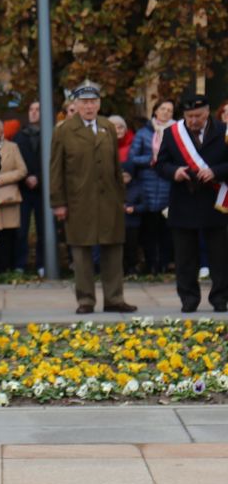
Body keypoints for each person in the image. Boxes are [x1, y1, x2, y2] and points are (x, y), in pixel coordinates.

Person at [49, 83, 136, 314]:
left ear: (99, 104)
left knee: (113, 250)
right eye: (84, 102)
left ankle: (114, 298)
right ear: (75, 105)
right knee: (82, 252)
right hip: (79, 200)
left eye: (93, 102)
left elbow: (116, 167)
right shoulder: (64, 130)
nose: (89, 106)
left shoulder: (107, 126)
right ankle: (86, 300)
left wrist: (121, 198)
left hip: (109, 200)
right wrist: (58, 202)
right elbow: (56, 169)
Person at [154, 95, 228, 312]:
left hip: (215, 203)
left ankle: (220, 298)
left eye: (198, 116)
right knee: (185, 257)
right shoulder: (173, 133)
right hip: (184, 200)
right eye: (189, 116)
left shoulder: (224, 131)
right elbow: (160, 165)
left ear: (207, 112)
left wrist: (216, 171)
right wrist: (173, 172)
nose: (193, 120)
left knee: (220, 256)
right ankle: (189, 299)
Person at [125, 100, 174, 275]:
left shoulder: (176, 132)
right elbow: (132, 158)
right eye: (163, 109)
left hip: (169, 187)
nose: (166, 113)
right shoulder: (143, 133)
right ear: (155, 111)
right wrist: (150, 160)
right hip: (147, 187)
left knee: (167, 230)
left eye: (169, 110)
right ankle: (151, 264)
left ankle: (165, 263)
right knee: (150, 231)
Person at [0, 117, 27, 274]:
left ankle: (8, 268)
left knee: (9, 235)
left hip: (7, 197)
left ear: (1, 132)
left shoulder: (12, 147)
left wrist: (1, 179)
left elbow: (22, 170)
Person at [13, 101, 45, 274]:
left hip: (43, 189)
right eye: (31, 109)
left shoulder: (50, 134)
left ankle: (43, 264)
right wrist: (26, 177)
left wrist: (38, 177)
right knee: (22, 229)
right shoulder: (20, 136)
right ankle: (20, 264)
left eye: (38, 109)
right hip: (24, 188)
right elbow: (16, 161)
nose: (34, 112)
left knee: (43, 227)